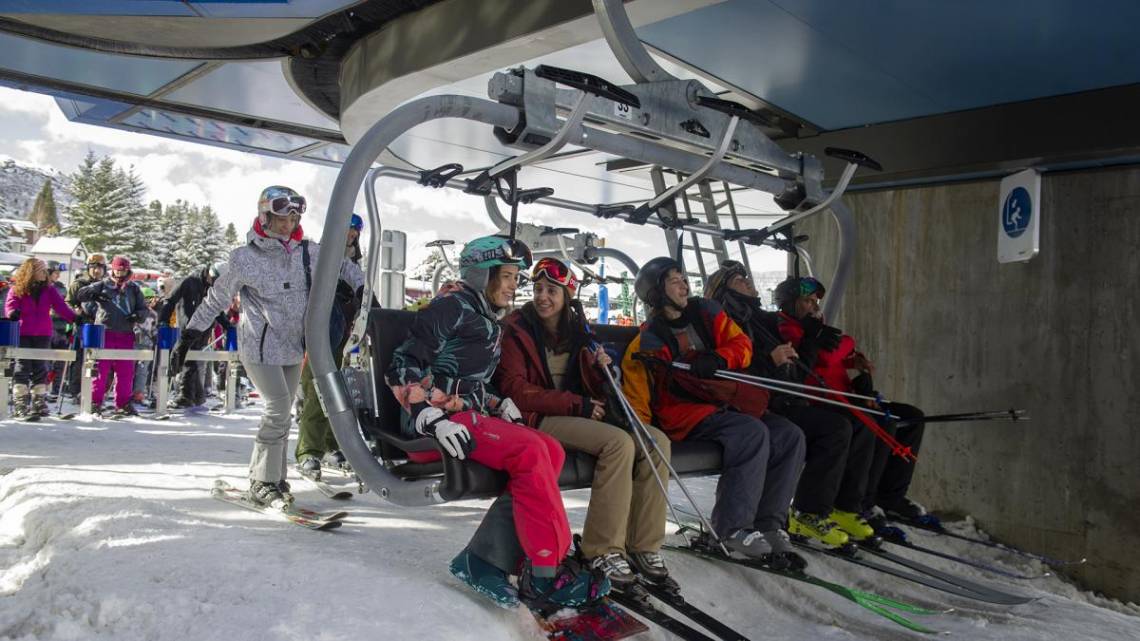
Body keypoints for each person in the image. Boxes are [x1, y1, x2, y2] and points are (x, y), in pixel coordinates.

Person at [387, 235, 609, 611]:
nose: (513, 285)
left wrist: (497, 401)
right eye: (506, 276)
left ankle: (489, 557)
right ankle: (546, 573)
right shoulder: (451, 307)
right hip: (441, 423)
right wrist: (429, 417)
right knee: (530, 450)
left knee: (550, 450)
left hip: (467, 415)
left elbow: (467, 380)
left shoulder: (483, 313)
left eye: (514, 277)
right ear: (480, 275)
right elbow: (403, 364)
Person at [493, 257, 672, 588]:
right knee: (618, 444)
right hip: (537, 419)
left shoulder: (577, 329)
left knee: (656, 442)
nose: (543, 296)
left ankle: (643, 544)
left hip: (576, 412)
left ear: (567, 296)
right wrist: (578, 404)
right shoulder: (516, 330)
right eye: (538, 289)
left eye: (552, 290)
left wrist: (601, 368)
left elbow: (591, 384)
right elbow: (515, 391)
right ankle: (601, 548)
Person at [621, 256, 806, 567]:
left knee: (789, 435)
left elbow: (742, 346)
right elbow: (637, 394)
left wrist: (719, 358)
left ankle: (769, 522)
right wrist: (643, 434)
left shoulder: (706, 313)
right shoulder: (648, 341)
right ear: (656, 293)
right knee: (750, 434)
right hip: (685, 415)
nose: (683, 285)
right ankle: (730, 527)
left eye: (683, 278)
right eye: (674, 281)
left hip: (725, 403)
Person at [706, 263, 872, 546]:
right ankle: (793, 515)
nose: (747, 282)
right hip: (753, 403)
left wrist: (811, 341)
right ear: (722, 290)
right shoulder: (724, 321)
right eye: (737, 280)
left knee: (821, 430)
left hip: (771, 400)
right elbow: (734, 366)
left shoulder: (759, 319)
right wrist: (781, 355)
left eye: (746, 277)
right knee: (831, 428)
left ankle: (772, 522)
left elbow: (797, 370)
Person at [773, 276, 929, 525]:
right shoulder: (788, 329)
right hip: (823, 402)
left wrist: (851, 362)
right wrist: (846, 345)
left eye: (815, 301)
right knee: (874, 425)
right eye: (807, 300)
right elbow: (827, 355)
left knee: (910, 417)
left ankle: (888, 495)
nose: (814, 306)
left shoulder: (814, 330)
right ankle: (856, 502)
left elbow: (833, 356)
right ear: (789, 303)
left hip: (846, 397)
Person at [294, 213, 366, 477]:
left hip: (342, 334)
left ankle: (330, 443)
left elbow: (358, 279)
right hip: (319, 332)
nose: (352, 234)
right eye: (348, 228)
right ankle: (308, 450)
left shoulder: (350, 260)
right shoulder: (319, 254)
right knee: (319, 390)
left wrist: (365, 301)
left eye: (356, 231)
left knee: (341, 390)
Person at [4, 258, 76, 418]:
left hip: (43, 333)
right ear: (31, 272)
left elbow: (61, 307)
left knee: (41, 367)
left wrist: (75, 318)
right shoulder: (18, 288)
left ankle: (38, 401)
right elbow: (11, 303)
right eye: (41, 270)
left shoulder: (49, 290)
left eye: (45, 270)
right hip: (23, 332)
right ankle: (21, 401)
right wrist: (12, 313)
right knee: (22, 367)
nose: (45, 273)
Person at [77, 255, 146, 417]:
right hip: (105, 332)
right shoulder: (103, 284)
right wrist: (94, 295)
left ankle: (123, 403)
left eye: (124, 271)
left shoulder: (133, 289)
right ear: (112, 269)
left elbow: (143, 309)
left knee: (126, 372)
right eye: (117, 270)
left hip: (126, 333)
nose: (120, 274)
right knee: (100, 370)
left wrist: (137, 316)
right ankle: (95, 402)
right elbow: (81, 295)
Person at [160, 263, 227, 408]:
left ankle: (195, 396)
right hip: (187, 327)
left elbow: (217, 310)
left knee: (193, 361)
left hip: (204, 330)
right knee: (186, 361)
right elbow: (171, 300)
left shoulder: (214, 288)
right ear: (209, 274)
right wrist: (163, 320)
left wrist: (227, 325)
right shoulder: (189, 281)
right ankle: (187, 396)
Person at [64, 254, 106, 400]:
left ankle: (95, 391)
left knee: (98, 361)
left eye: (100, 267)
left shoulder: (105, 284)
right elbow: (67, 302)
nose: (96, 271)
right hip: (83, 325)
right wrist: (75, 310)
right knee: (80, 359)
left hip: (100, 325)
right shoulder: (79, 284)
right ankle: (76, 391)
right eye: (93, 267)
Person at [47, 262, 71, 399]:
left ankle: (56, 389)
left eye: (58, 273)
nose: (57, 276)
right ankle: (44, 387)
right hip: (48, 328)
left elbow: (66, 305)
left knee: (60, 362)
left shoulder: (61, 288)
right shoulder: (43, 288)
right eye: (55, 273)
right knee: (46, 362)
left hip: (62, 328)